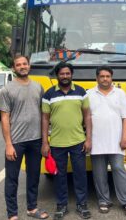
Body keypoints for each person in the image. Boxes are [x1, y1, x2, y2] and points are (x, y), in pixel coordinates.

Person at [0, 55, 49, 220]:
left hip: (36, 140)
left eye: (24, 64)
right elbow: (4, 117)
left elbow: (43, 113)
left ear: (29, 66)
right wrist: (8, 144)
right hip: (16, 142)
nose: (22, 66)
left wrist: (45, 139)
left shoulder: (38, 87)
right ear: (14, 68)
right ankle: (12, 214)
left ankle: (32, 208)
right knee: (12, 179)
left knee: (33, 176)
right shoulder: (7, 90)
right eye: (18, 65)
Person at [41, 62, 92, 220]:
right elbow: (44, 119)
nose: (65, 76)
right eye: (62, 74)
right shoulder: (48, 94)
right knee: (59, 175)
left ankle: (82, 204)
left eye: (67, 73)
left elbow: (87, 116)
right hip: (56, 143)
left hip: (78, 141)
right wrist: (45, 142)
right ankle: (61, 205)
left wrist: (88, 139)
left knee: (80, 174)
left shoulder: (81, 92)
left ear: (71, 74)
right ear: (57, 75)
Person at [87, 66, 126, 216]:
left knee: (119, 170)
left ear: (112, 77)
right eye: (102, 76)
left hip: (116, 141)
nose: (105, 79)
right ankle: (104, 201)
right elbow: (86, 118)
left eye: (108, 76)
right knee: (99, 173)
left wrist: (125, 138)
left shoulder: (120, 94)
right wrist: (88, 139)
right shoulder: (89, 94)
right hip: (96, 141)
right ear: (97, 78)